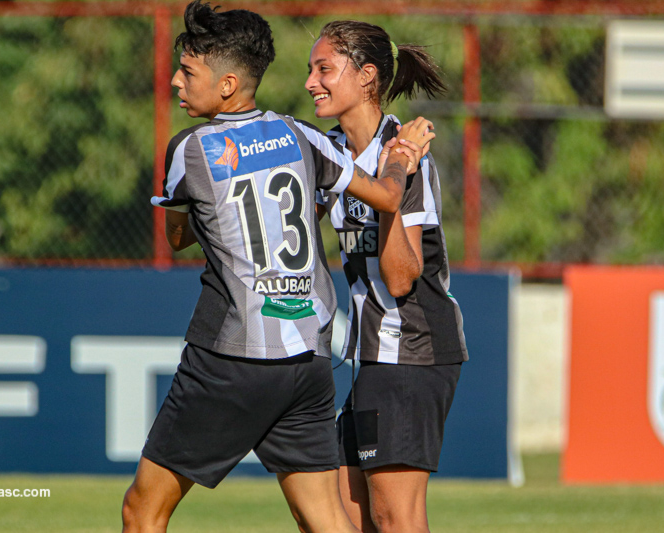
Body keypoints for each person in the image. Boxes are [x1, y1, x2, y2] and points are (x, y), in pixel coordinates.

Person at [121, 3, 434, 532]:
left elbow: (178, 237)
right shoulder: (301, 136)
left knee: (142, 511)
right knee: (325, 518)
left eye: (188, 71)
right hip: (308, 362)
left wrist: (200, 211)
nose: (176, 81)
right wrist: (401, 156)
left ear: (226, 85)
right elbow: (385, 196)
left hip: (231, 359)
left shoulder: (190, 149)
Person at [305, 20, 469, 533]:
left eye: (324, 69)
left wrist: (391, 177)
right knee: (332, 513)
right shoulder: (327, 150)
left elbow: (400, 278)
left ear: (367, 76)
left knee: (394, 518)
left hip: (412, 348)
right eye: (310, 70)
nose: (311, 82)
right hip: (373, 354)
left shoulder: (403, 154)